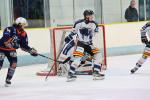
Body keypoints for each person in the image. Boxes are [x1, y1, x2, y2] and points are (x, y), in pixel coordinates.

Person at [67, 9, 104, 82]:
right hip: (80, 44)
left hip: (89, 45)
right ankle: (70, 74)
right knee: (78, 58)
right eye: (90, 15)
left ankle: (96, 72)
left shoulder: (94, 24)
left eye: (92, 15)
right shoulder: (78, 23)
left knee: (98, 54)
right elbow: (73, 32)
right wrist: (68, 38)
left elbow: (94, 33)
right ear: (86, 16)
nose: (92, 17)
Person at [0, 17, 38, 87]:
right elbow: (5, 39)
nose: (24, 26)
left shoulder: (23, 33)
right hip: (1, 48)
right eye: (23, 25)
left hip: (11, 50)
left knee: (14, 64)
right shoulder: (10, 29)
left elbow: (23, 46)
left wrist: (30, 50)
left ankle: (8, 79)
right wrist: (10, 44)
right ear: (19, 24)